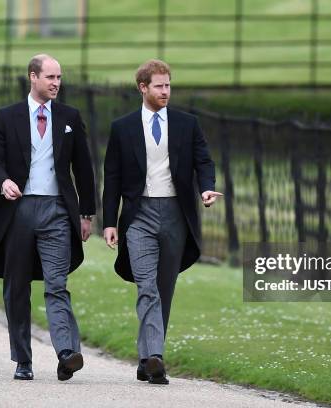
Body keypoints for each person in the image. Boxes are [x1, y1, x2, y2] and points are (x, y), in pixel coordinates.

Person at [102, 59, 222, 385]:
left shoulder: (187, 124)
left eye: (168, 85)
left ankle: (146, 361)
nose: (165, 91)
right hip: (138, 216)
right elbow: (111, 177)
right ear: (143, 87)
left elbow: (203, 161)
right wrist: (109, 221)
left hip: (175, 215)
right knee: (147, 287)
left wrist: (206, 188)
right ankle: (156, 357)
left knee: (164, 289)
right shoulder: (123, 127)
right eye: (159, 86)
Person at [0, 54, 96, 381]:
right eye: (50, 78)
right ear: (33, 77)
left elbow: (84, 168)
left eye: (59, 78)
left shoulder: (70, 117)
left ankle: (67, 353)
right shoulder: (7, 117)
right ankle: (23, 360)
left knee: (57, 284)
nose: (56, 83)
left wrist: (87, 213)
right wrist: (3, 182)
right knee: (17, 286)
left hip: (58, 210)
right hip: (18, 212)